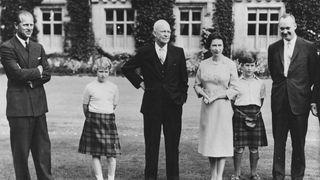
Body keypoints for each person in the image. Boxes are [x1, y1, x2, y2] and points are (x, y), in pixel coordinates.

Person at [121, 19, 188, 180]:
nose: (166, 34)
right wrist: (141, 83)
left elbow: (183, 80)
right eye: (163, 31)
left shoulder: (178, 52)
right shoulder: (146, 51)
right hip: (152, 106)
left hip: (173, 106)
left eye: (168, 31)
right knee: (151, 146)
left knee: (173, 147)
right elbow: (127, 68)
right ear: (155, 33)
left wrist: (181, 98)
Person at [0, 10, 53, 180]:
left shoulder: (38, 47)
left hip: (39, 108)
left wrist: (32, 79)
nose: (29, 28)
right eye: (25, 24)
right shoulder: (7, 47)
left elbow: (47, 73)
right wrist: (36, 71)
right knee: (21, 155)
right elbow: (16, 74)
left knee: (43, 153)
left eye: (31, 24)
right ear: (16, 26)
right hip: (19, 110)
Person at [268, 13, 318, 180]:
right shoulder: (273, 48)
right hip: (279, 102)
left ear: (295, 26)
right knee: (279, 144)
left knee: (299, 145)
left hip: (300, 102)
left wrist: (301, 91)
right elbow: (274, 73)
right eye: (282, 28)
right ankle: (278, 176)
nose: (285, 31)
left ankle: (297, 177)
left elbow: (314, 75)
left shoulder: (308, 47)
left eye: (288, 28)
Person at [194, 33, 238, 180]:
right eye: (214, 45)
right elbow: (197, 84)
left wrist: (217, 96)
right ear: (209, 46)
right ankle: (213, 173)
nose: (217, 48)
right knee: (210, 140)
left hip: (223, 107)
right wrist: (203, 94)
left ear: (223, 46)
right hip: (208, 108)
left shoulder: (230, 64)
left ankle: (219, 176)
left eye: (220, 45)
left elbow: (235, 88)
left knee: (222, 140)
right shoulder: (203, 64)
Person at [78, 57, 121, 180]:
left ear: (109, 71)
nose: (103, 74)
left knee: (111, 155)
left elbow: (114, 105)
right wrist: (91, 118)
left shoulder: (114, 87)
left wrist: (105, 115)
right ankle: (100, 178)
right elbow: (85, 106)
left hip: (108, 121)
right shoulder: (89, 87)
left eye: (106, 71)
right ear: (96, 71)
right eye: (100, 71)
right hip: (93, 121)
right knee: (95, 154)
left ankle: (111, 178)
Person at [230, 53, 268, 180]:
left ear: (255, 67)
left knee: (254, 147)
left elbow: (261, 100)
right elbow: (232, 101)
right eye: (246, 65)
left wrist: (253, 112)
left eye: (252, 65)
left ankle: (253, 173)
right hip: (240, 114)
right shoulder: (236, 82)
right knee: (239, 147)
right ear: (241, 66)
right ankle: (236, 174)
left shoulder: (261, 83)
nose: (249, 68)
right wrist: (240, 112)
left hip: (255, 114)